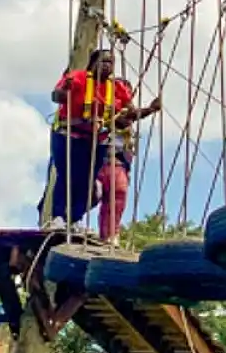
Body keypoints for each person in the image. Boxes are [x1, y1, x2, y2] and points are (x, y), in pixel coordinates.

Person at [39, 49, 148, 235]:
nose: (107, 65)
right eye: (104, 61)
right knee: (67, 176)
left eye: (111, 62)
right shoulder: (79, 78)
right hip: (68, 135)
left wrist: (150, 110)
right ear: (93, 63)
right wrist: (65, 90)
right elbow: (57, 96)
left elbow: (131, 113)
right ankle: (57, 217)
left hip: (95, 140)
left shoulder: (117, 88)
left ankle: (74, 219)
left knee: (86, 181)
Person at [96, 90, 162, 244]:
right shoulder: (107, 109)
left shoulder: (125, 113)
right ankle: (70, 219)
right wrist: (149, 110)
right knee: (96, 194)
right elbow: (123, 118)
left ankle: (109, 234)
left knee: (117, 197)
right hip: (99, 162)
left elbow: (128, 117)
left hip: (118, 164)